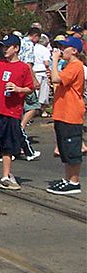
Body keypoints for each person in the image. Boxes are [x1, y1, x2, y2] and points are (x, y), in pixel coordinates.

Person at [0, 34, 34, 191]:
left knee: (8, 145)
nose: (4, 50)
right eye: (3, 46)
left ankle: (6, 175)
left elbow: (30, 88)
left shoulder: (23, 67)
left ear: (16, 48)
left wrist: (18, 89)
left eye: (7, 47)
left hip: (12, 111)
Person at [46, 36, 85, 195]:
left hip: (71, 113)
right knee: (64, 148)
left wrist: (54, 61)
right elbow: (57, 81)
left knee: (72, 148)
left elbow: (57, 78)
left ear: (74, 50)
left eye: (64, 48)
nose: (61, 51)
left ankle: (74, 181)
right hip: (62, 112)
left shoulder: (76, 65)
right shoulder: (69, 66)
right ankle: (67, 178)